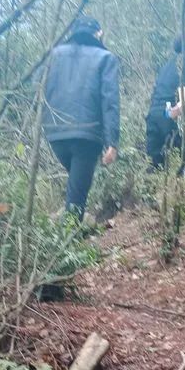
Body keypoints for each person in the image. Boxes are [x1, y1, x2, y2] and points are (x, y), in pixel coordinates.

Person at [42, 15, 120, 223]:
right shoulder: (106, 58)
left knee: (76, 187)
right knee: (77, 198)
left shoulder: (53, 55)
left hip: (55, 133)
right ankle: (70, 244)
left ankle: (69, 227)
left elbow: (40, 91)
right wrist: (112, 142)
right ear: (98, 33)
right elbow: (110, 102)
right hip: (87, 135)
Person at [146, 33, 185, 172]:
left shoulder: (167, 65)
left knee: (156, 162)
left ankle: (151, 190)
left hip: (153, 113)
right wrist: (181, 104)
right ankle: (184, 189)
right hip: (170, 111)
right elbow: (184, 81)